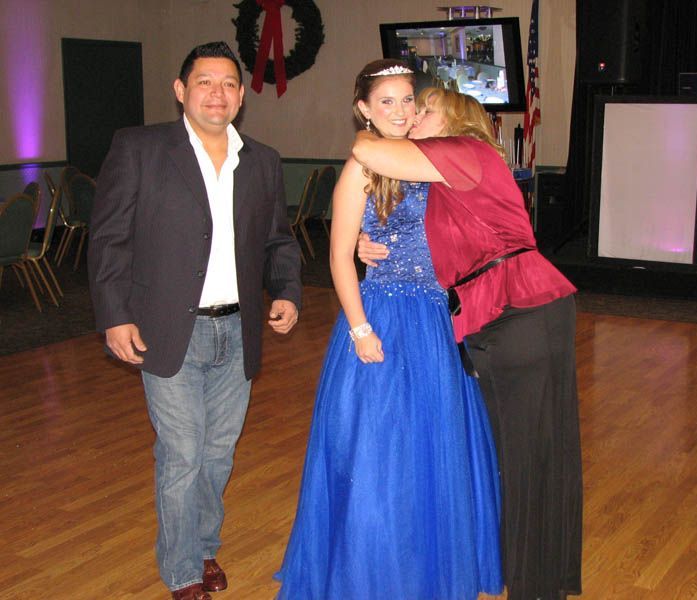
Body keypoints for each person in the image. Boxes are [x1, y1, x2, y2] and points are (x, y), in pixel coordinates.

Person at [275, 60, 502, 599]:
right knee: (378, 452)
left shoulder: (430, 158)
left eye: (408, 101)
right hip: (380, 317)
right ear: (364, 110)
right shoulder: (362, 166)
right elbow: (336, 259)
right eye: (387, 103)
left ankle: (427, 567)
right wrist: (359, 329)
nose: (401, 112)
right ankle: (371, 571)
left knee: (433, 448)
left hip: (435, 320)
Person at [87, 41, 302, 600]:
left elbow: (278, 239)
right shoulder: (139, 148)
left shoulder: (263, 160)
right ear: (181, 91)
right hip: (166, 326)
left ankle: (206, 546)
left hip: (237, 328)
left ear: (241, 97)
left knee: (218, 451)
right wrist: (115, 315)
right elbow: (108, 238)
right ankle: (183, 569)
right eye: (205, 82)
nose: (218, 93)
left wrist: (287, 291)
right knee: (182, 452)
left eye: (229, 83)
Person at [355, 87, 583, 600]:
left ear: (456, 119)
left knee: (528, 460)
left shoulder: (467, 152)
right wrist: (362, 244)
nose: (412, 114)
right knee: (520, 455)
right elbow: (419, 244)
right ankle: (538, 578)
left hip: (519, 310)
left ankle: (536, 588)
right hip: (500, 315)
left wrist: (374, 116)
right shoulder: (444, 176)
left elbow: (367, 151)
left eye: (423, 107)